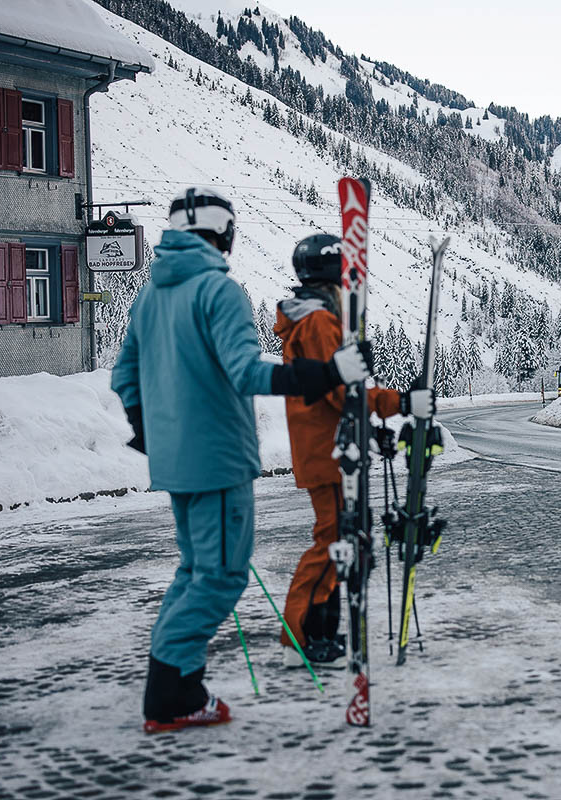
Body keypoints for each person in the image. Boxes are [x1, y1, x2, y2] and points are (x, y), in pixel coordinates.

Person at [110, 188, 374, 734]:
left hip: (175, 461)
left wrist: (150, 432)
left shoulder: (150, 296)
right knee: (221, 577)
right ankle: (168, 695)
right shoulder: (218, 291)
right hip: (219, 457)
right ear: (222, 233)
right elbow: (246, 372)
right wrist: (328, 373)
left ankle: (181, 685)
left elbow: (124, 377)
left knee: (194, 571)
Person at [275, 233, 434, 667]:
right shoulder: (321, 323)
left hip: (327, 446)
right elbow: (341, 391)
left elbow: (341, 395)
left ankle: (321, 631)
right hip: (328, 453)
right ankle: (299, 637)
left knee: (344, 538)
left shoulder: (309, 318)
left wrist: (371, 426)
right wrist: (399, 404)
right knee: (332, 541)